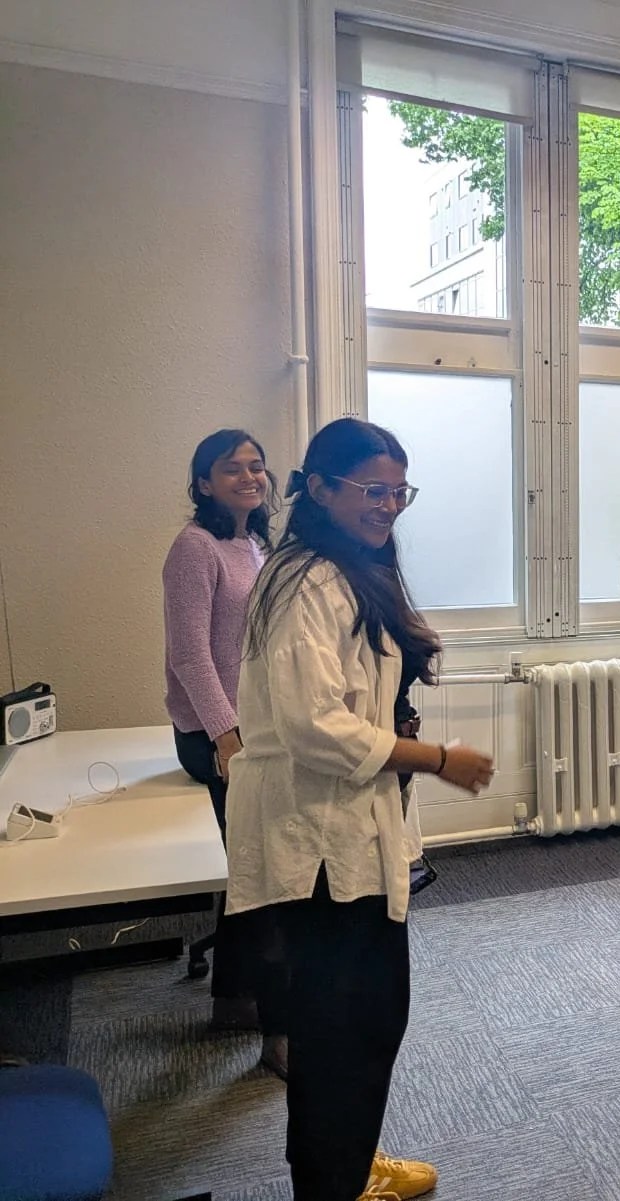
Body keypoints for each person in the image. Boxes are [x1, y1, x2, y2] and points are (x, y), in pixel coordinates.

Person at [227, 418, 494, 1201]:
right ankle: (332, 1183)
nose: (388, 505)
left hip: (348, 826)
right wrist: (439, 759)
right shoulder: (308, 578)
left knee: (364, 1022)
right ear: (317, 488)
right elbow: (315, 725)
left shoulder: (349, 567)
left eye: (398, 491)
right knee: (347, 1028)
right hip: (317, 838)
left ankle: (343, 1165)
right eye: (372, 490)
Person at [162, 428, 288, 1078]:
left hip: (254, 731)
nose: (250, 475)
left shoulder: (253, 543)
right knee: (267, 876)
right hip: (213, 738)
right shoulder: (196, 546)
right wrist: (226, 737)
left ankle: (233, 1001)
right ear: (204, 481)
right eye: (232, 468)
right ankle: (278, 1031)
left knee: (251, 871)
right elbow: (188, 655)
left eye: (257, 466)